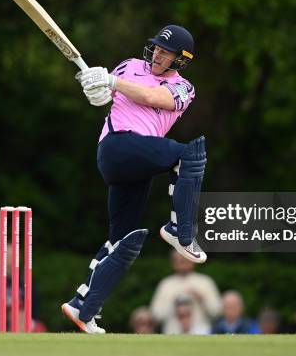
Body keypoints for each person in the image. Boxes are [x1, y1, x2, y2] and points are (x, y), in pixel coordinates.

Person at [61, 25, 207, 334]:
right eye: (156, 47)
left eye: (165, 52)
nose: (157, 54)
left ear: (180, 60)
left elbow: (154, 96)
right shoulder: (129, 66)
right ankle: (180, 230)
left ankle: (81, 306)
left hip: (138, 161)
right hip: (117, 147)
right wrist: (96, 88)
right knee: (190, 153)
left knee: (123, 242)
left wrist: (112, 82)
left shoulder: (184, 88)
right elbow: (103, 98)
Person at [150, 251, 221, 334]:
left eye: (186, 259)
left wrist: (202, 298)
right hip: (172, 335)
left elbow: (217, 312)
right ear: (173, 263)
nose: (183, 262)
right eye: (179, 260)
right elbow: (156, 316)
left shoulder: (205, 282)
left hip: (201, 336)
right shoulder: (165, 284)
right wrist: (173, 301)